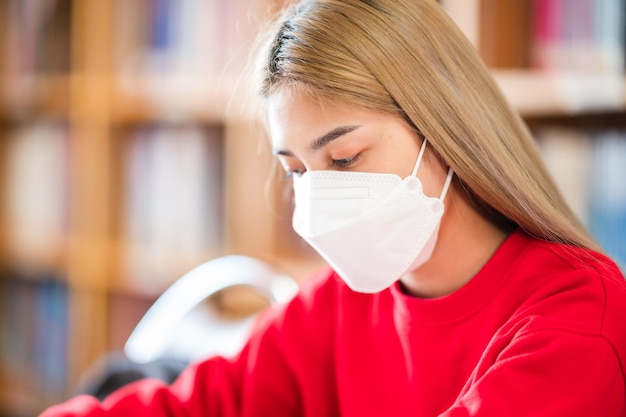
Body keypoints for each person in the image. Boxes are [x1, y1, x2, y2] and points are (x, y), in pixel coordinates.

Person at [41, 0, 626, 416]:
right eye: (296, 171)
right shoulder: (338, 304)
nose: (318, 197)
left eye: (344, 158)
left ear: (444, 129)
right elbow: (204, 401)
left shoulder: (579, 316)